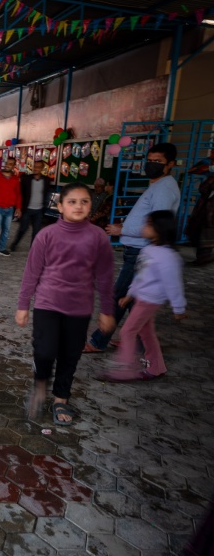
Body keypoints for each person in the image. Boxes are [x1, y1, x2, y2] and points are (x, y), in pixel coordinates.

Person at [16, 183, 115, 426]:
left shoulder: (98, 237)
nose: (78, 206)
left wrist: (107, 311)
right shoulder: (46, 235)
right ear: (59, 206)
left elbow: (105, 276)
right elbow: (32, 273)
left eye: (84, 201)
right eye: (72, 201)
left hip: (79, 309)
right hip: (47, 304)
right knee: (45, 351)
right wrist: (23, 305)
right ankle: (40, 384)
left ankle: (61, 398)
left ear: (91, 206)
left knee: (70, 356)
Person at [84, 141, 180, 353]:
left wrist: (123, 230)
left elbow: (157, 225)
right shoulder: (158, 185)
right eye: (150, 160)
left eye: (158, 161)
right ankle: (136, 339)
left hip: (141, 251)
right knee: (133, 300)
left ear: (170, 164)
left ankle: (99, 341)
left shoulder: (164, 189)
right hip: (137, 249)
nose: (152, 164)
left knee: (119, 296)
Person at [99, 211, 186, 382]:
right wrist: (130, 295)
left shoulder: (168, 257)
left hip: (150, 301)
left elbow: (173, 284)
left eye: (148, 224)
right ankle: (156, 367)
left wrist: (178, 307)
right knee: (146, 333)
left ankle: (125, 370)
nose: (143, 227)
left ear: (159, 229)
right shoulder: (148, 249)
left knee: (127, 332)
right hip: (141, 299)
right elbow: (140, 276)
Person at [11, 158, 51, 251]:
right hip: (27, 209)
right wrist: (19, 208)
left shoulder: (46, 180)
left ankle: (33, 249)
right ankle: (15, 243)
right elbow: (20, 194)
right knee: (22, 229)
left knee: (36, 231)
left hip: (39, 210)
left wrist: (45, 207)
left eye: (38, 167)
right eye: (35, 166)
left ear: (42, 169)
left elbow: (46, 194)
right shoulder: (26, 179)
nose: (36, 168)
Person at [188, 168, 214, 265]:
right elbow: (203, 188)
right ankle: (202, 258)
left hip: (209, 216)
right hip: (204, 213)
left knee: (206, 237)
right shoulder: (208, 188)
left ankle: (204, 258)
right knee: (198, 234)